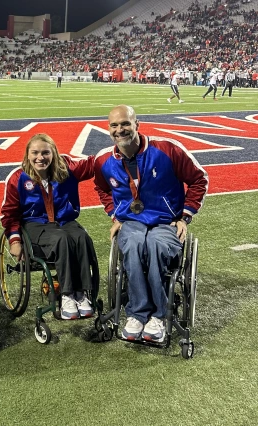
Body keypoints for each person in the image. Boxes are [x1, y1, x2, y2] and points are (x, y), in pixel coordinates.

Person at [93, 105, 208, 342]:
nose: (120, 129)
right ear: (109, 129)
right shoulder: (104, 160)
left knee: (156, 245)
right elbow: (101, 188)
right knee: (134, 245)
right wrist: (115, 214)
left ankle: (158, 315)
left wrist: (185, 216)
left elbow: (199, 179)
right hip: (131, 222)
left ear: (137, 124)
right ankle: (137, 313)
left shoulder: (168, 149)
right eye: (114, 125)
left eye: (125, 123)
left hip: (166, 221)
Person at [1, 133, 97, 320]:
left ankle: (83, 293)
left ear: (54, 153)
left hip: (64, 221)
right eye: (35, 152)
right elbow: (10, 213)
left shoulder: (67, 169)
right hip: (35, 224)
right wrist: (14, 240)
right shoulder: (17, 178)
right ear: (27, 155)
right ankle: (67, 294)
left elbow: (96, 163)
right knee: (61, 239)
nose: (40, 157)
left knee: (82, 237)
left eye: (45, 152)